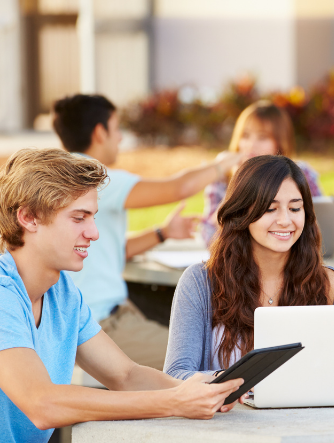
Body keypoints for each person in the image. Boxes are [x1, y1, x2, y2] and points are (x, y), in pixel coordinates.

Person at [0, 149, 245, 443]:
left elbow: (126, 375)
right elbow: (41, 402)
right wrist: (172, 402)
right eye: (78, 218)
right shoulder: (1, 294)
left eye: (93, 216)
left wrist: (207, 390)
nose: (93, 232)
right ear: (28, 217)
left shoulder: (63, 292)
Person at [52, 94, 241, 371]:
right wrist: (223, 164)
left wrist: (162, 233)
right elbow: (178, 188)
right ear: (99, 132)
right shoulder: (93, 177)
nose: (120, 139)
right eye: (117, 130)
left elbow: (107, 249)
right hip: (102, 322)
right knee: (203, 356)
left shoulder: (62, 175)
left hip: (108, 313)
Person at [164, 155, 334, 379]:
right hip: (229, 413)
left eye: (295, 209)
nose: (285, 220)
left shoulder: (330, 284)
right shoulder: (200, 282)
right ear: (242, 212)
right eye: (270, 209)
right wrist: (230, 382)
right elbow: (175, 374)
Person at [200, 100, 323, 246]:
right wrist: (237, 185)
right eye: (245, 136)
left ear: (280, 142)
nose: (251, 145)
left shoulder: (302, 174)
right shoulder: (224, 176)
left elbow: (322, 224)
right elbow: (208, 235)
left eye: (262, 137)